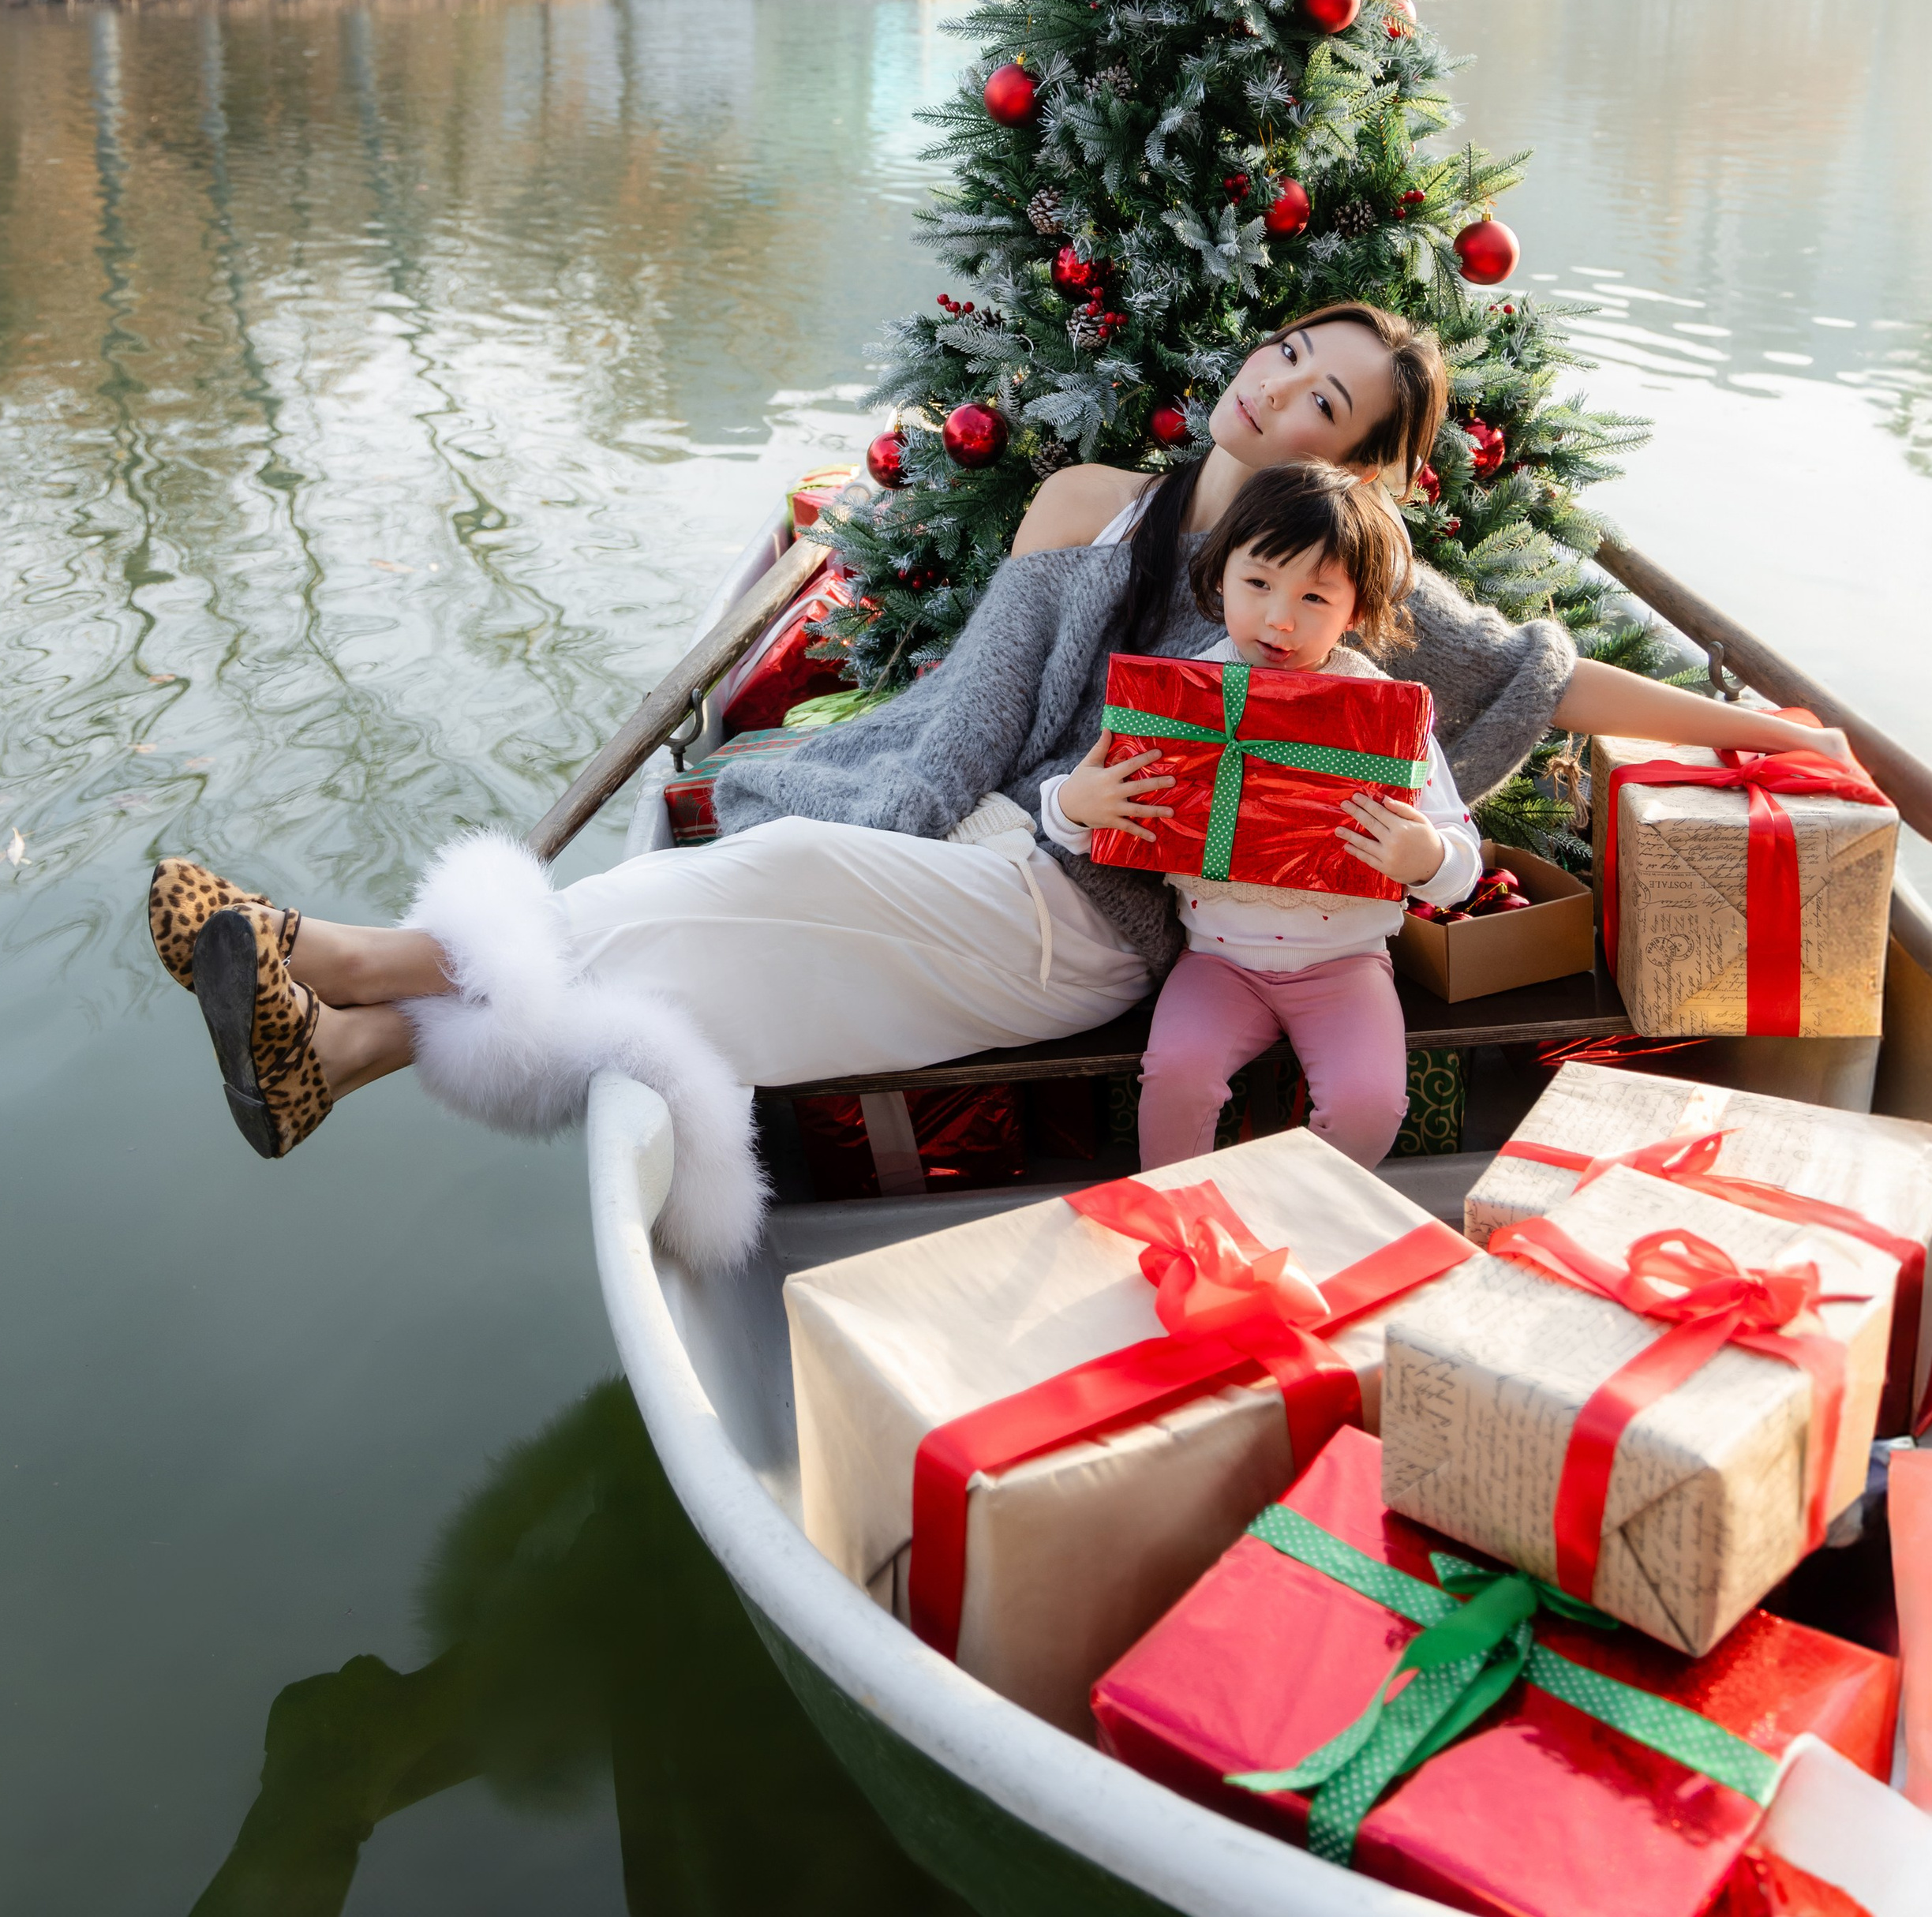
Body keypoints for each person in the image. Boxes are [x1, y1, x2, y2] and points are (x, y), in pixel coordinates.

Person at [145, 300, 1851, 1269]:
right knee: (719, 923)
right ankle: (343, 1053)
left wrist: (1770, 738)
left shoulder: (1334, 586)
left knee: (745, 892)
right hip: (983, 848)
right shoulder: (1089, 502)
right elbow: (963, 721)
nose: (1274, 385)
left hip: (1091, 926)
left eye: (1324, 398)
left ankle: (342, 956)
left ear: (1355, 465)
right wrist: (890, 801)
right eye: (1282, 352)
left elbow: (1540, 676)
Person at [1044, 460, 1480, 1173]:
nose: (1280, 618)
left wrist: (1428, 857)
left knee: (1370, 1105)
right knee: (1176, 1077)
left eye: (1315, 597)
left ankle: (1293, 1215)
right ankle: (1174, 1213)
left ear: (1355, 613)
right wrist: (1073, 805)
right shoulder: (1182, 693)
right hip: (1216, 963)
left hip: (1347, 967)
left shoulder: (1385, 715)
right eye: (1258, 584)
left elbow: (1462, 861)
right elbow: (1076, 809)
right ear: (1220, 577)